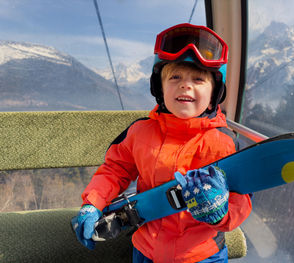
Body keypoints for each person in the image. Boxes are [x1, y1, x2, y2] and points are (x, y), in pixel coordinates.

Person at [72, 23, 252, 263]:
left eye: (198, 79)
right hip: (146, 250)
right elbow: (115, 170)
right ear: (160, 88)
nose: (185, 84)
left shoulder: (224, 143)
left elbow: (242, 198)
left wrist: (221, 214)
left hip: (201, 255)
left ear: (213, 96)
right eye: (174, 76)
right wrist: (93, 203)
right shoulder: (140, 132)